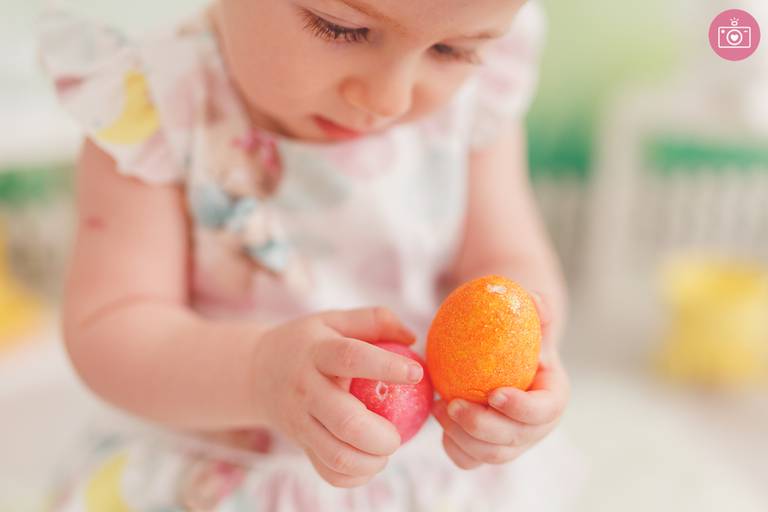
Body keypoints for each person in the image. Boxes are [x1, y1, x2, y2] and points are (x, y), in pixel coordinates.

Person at [39, 0, 582, 509]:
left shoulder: (472, 101)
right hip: (223, 470)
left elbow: (509, 261)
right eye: (341, 28)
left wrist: (529, 363)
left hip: (421, 469)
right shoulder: (156, 105)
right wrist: (258, 374)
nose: (388, 100)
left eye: (451, 51)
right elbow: (112, 329)